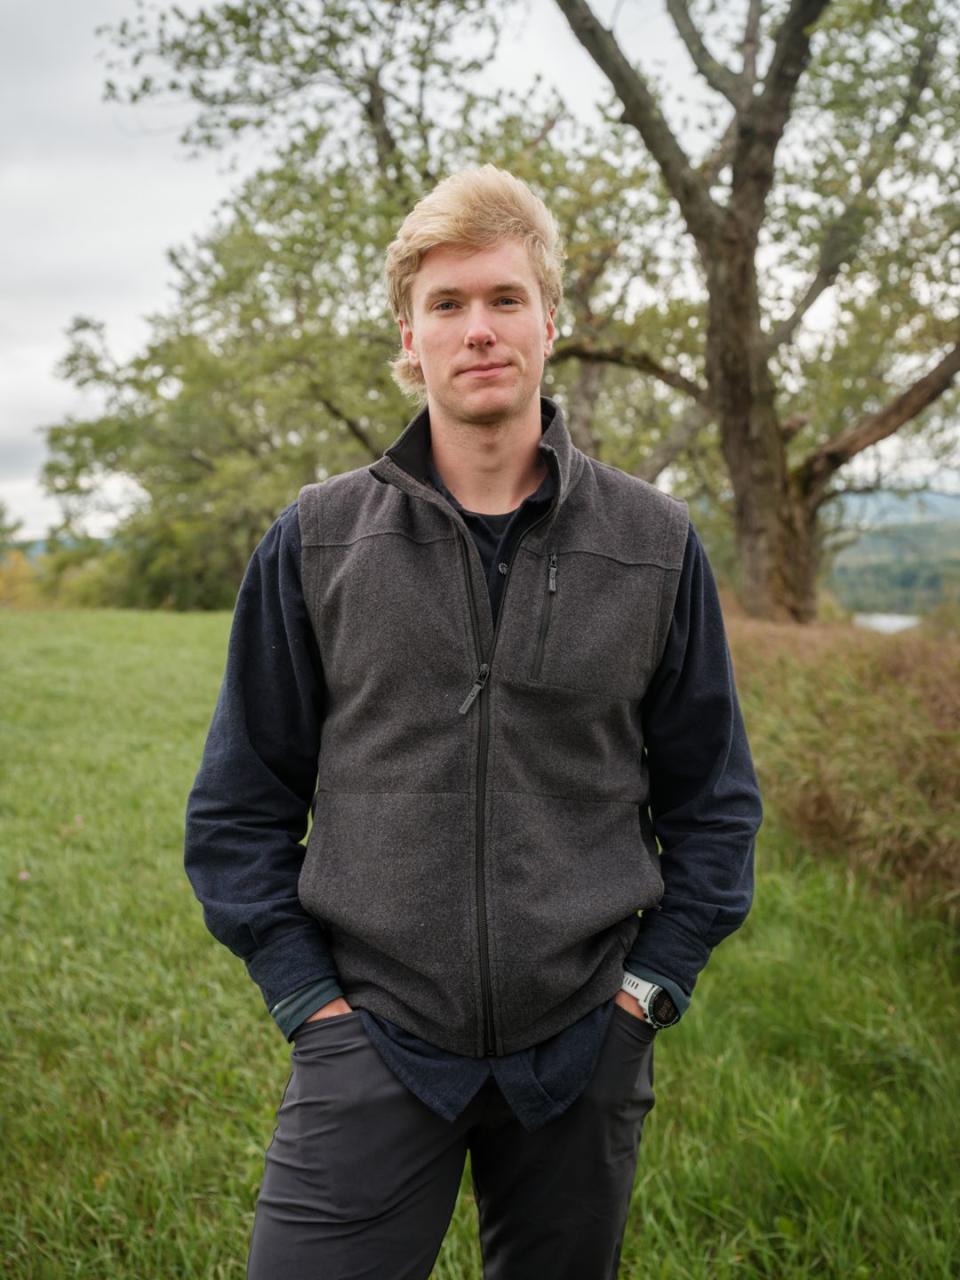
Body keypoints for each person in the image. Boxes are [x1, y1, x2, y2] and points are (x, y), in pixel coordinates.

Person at [184, 165, 762, 1280]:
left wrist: (647, 990)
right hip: (371, 1036)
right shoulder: (316, 540)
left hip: (586, 1036)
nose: (479, 328)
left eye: (504, 298)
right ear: (409, 339)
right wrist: (312, 1000)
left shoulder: (654, 541)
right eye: (447, 305)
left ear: (553, 321)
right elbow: (240, 800)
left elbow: (714, 796)